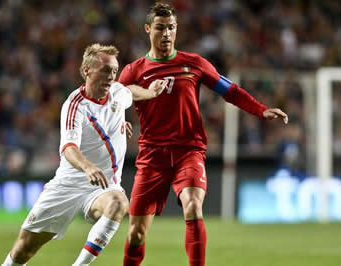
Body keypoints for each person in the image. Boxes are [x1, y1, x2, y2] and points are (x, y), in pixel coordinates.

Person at [118, 3, 289, 266]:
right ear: (147, 29)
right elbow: (113, 102)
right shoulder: (134, 70)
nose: (166, 34)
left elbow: (228, 90)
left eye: (171, 28)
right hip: (152, 157)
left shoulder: (194, 63)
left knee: (193, 206)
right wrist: (118, 121)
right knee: (136, 233)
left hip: (189, 151)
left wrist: (260, 110)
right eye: (161, 28)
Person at [1, 43, 167, 266]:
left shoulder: (117, 92)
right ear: (87, 70)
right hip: (68, 185)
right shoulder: (74, 105)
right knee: (24, 249)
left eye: (114, 71)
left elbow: (131, 92)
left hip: (103, 186)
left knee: (118, 203)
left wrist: (150, 92)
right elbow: (69, 148)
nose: (111, 76)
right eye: (106, 70)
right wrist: (87, 166)